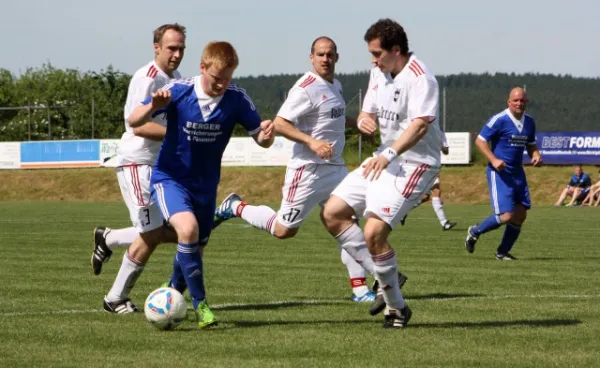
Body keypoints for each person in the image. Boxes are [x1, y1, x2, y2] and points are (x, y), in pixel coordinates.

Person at [212, 36, 399, 303]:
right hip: (308, 170)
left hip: (334, 169)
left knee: (349, 222)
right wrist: (312, 142)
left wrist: (357, 125)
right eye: (320, 55)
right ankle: (235, 207)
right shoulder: (306, 87)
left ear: (337, 57)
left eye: (330, 54)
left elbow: (333, 118)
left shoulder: (335, 85)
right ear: (311, 58)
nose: (325, 59)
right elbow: (280, 123)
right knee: (284, 230)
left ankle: (362, 288)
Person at [127, 41, 274, 328]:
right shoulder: (179, 91)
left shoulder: (237, 99)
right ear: (202, 67)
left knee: (195, 245)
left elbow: (261, 138)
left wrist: (267, 134)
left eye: (227, 78)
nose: (221, 84)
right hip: (170, 179)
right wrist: (154, 106)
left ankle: (171, 289)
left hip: (205, 187)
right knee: (188, 230)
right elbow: (134, 121)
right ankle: (201, 306)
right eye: (216, 78)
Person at [321, 18, 443, 328]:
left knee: (374, 232)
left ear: (396, 50)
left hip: (416, 163)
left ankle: (396, 308)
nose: (373, 61)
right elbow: (368, 110)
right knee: (333, 213)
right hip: (384, 159)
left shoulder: (421, 78)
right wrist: (364, 120)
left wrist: (388, 153)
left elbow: (419, 126)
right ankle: (384, 276)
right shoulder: (379, 72)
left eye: (377, 54)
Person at [95, 24, 186, 314]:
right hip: (137, 163)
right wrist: (178, 137)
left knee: (170, 231)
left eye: (181, 48)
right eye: (171, 48)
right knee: (151, 233)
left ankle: (107, 238)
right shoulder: (147, 78)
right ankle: (115, 298)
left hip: (160, 166)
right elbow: (134, 124)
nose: (177, 54)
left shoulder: (178, 79)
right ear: (156, 47)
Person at [465, 87, 542, 260]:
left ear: (526, 102)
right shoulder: (499, 120)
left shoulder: (529, 122)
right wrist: (493, 159)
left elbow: (531, 144)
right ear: (509, 102)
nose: (519, 103)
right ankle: (475, 231)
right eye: (515, 100)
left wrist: (535, 155)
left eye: (522, 100)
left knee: (520, 214)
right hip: (499, 173)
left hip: (518, 172)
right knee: (506, 215)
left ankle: (502, 252)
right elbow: (480, 140)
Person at [400, 127, 457, 230]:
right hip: (423, 165)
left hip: (433, 166)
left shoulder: (440, 132)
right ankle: (444, 223)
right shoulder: (422, 126)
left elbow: (446, 151)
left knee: (426, 197)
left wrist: (442, 147)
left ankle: (402, 212)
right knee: (436, 191)